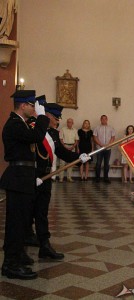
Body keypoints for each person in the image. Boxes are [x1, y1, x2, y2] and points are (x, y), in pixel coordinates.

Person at [0, 90, 49, 280]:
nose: (33, 109)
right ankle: (10, 265)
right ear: (23, 105)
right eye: (31, 105)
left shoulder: (20, 123)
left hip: (24, 177)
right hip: (18, 177)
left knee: (22, 223)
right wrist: (43, 117)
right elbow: (36, 136)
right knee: (15, 223)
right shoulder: (13, 124)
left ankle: (18, 256)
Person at [33, 102, 90, 261]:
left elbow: (62, 153)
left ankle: (44, 246)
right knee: (27, 212)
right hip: (33, 177)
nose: (58, 120)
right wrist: (31, 175)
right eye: (56, 117)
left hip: (46, 178)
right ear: (48, 116)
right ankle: (23, 244)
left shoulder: (53, 133)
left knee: (42, 212)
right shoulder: (36, 131)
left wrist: (80, 158)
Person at [93, 115, 115, 183]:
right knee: (98, 163)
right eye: (102, 119)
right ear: (100, 119)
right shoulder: (97, 128)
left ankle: (106, 178)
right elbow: (95, 137)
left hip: (108, 148)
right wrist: (101, 144)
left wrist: (108, 145)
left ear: (107, 119)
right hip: (99, 148)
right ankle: (97, 178)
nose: (104, 120)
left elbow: (113, 137)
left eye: (105, 119)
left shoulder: (111, 128)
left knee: (106, 163)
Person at [58, 118, 79, 182]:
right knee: (62, 163)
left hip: (72, 146)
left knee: (70, 163)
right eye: (68, 122)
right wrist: (64, 146)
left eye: (70, 122)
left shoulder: (75, 130)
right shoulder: (63, 129)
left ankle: (69, 177)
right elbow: (60, 139)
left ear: (73, 123)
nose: (69, 123)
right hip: (64, 146)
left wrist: (73, 146)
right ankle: (61, 178)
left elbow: (76, 140)